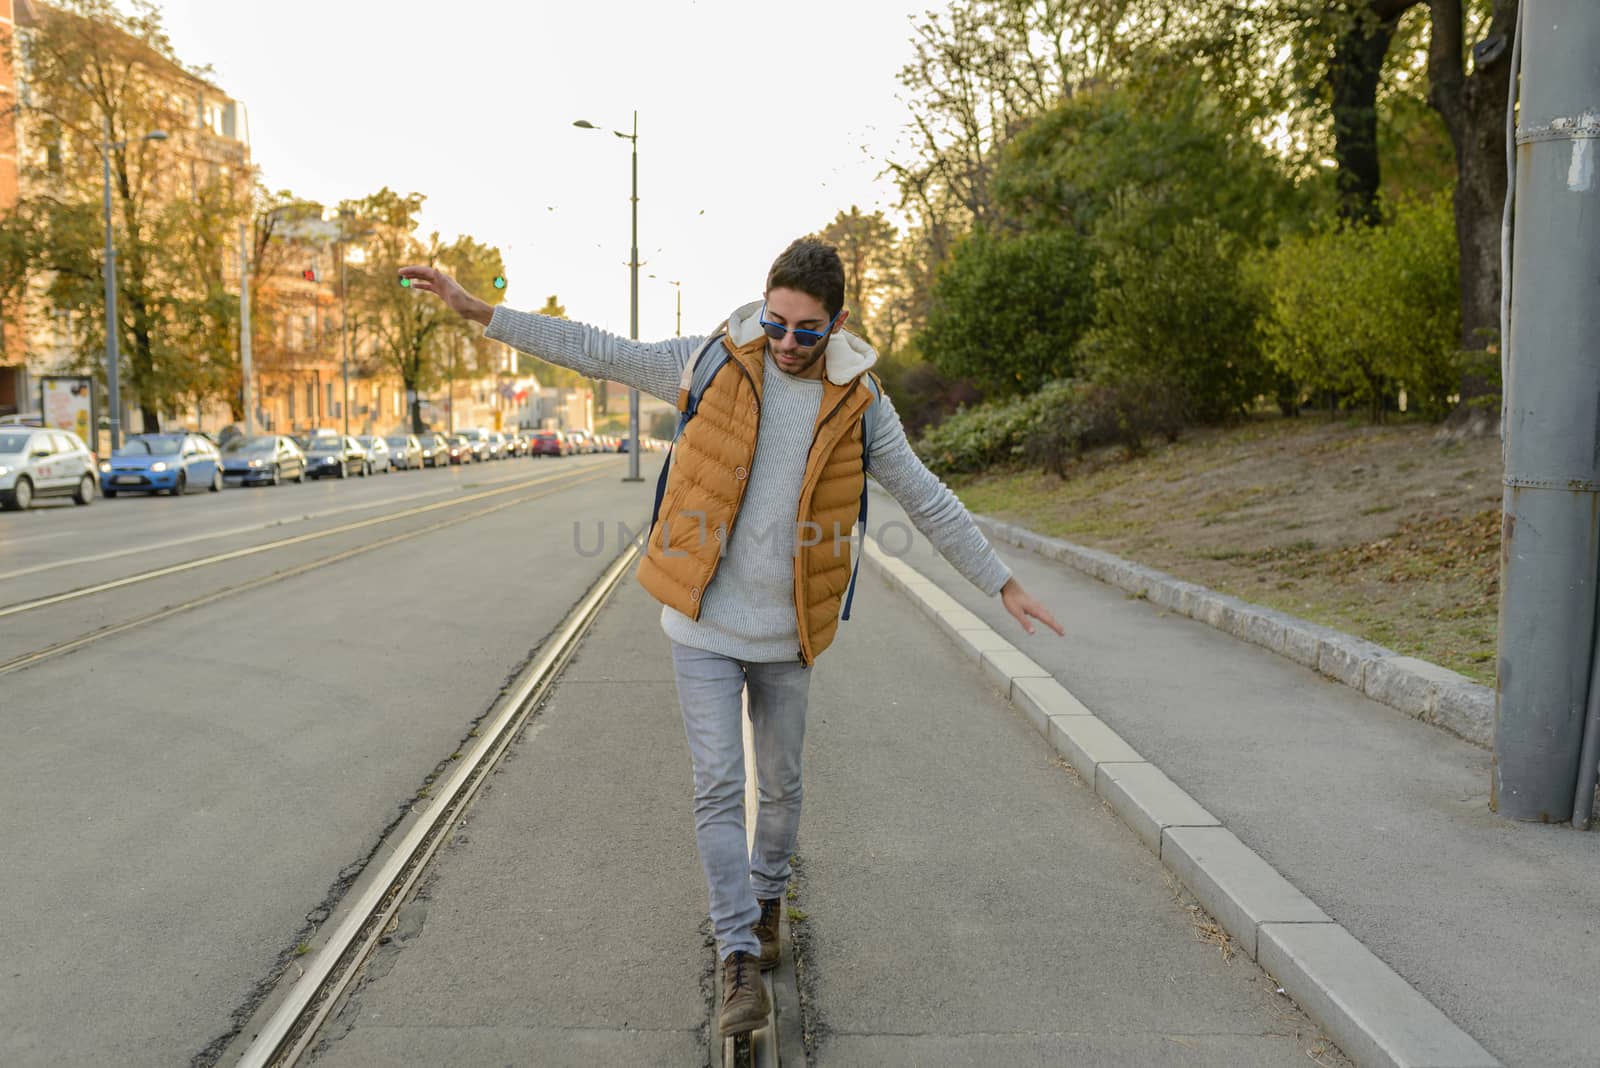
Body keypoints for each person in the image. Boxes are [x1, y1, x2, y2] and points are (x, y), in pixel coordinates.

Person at [399, 239, 1063, 1037]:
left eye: (807, 332)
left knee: (779, 789)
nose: (787, 344)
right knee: (718, 786)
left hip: (788, 633)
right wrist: (481, 311)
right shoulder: (713, 361)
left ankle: (768, 893)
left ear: (838, 325)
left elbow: (925, 495)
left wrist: (1003, 582)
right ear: (763, 307)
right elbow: (598, 351)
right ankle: (738, 956)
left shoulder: (859, 401)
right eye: (777, 324)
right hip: (702, 622)